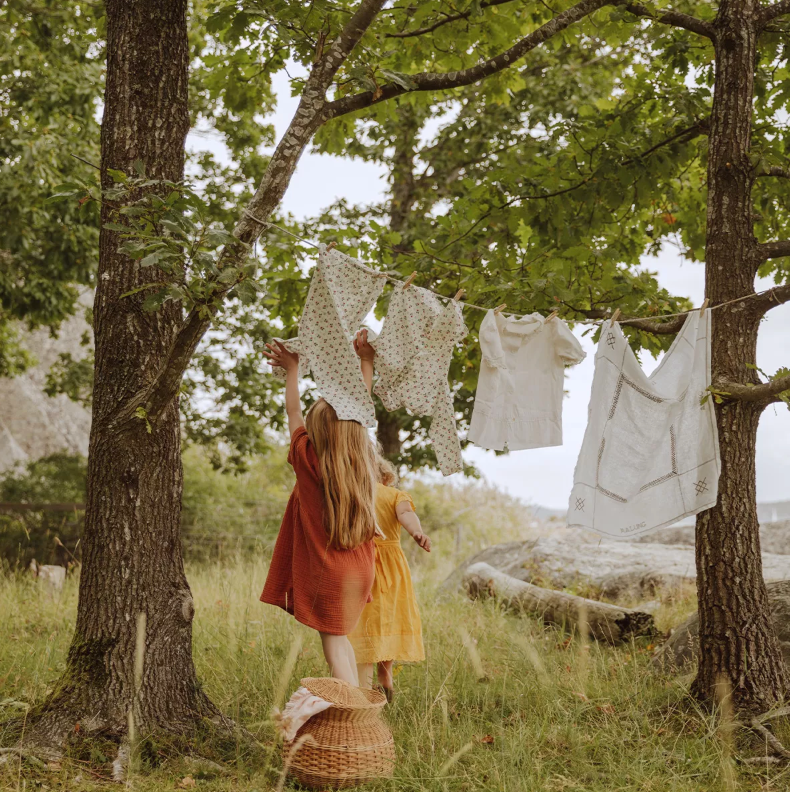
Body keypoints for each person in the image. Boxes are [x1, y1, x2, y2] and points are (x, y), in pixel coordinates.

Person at [260, 331, 379, 685]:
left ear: (316, 434)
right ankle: (356, 709)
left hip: (330, 576)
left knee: (335, 652)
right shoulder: (362, 463)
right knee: (343, 645)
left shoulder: (307, 460)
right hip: (360, 572)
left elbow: (293, 409)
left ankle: (350, 713)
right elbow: (355, 416)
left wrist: (292, 369)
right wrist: (366, 361)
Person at [348, 454, 431, 700]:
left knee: (363, 619)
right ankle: (385, 674)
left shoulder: (354, 495)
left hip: (359, 562)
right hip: (391, 565)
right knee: (389, 618)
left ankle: (362, 684)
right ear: (387, 477)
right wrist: (417, 532)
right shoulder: (395, 495)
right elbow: (405, 514)